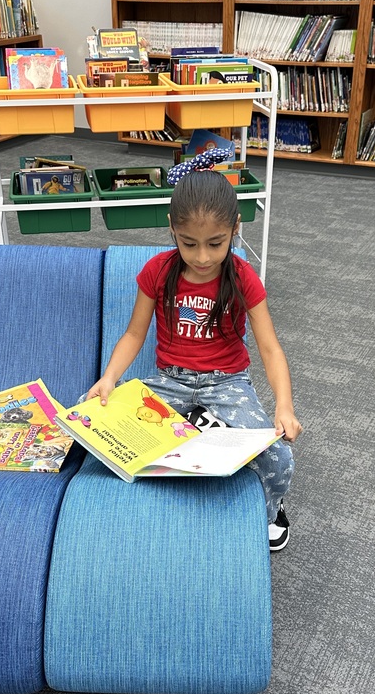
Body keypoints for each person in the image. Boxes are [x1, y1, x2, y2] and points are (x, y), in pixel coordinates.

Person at [86, 169, 301, 550]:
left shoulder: (243, 276)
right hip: (171, 379)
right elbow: (134, 334)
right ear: (172, 229)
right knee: (99, 433)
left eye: (216, 244)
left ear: (235, 228)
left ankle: (270, 511)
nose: (203, 257)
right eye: (189, 244)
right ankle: (197, 428)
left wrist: (283, 406)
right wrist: (110, 377)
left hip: (227, 382)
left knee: (279, 458)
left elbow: (270, 348)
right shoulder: (158, 271)